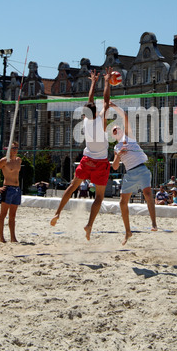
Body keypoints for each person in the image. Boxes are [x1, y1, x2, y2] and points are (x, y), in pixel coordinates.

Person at [50, 67, 112, 240]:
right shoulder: (101, 120)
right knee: (99, 198)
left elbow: (90, 100)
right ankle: (89, 225)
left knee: (71, 187)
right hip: (100, 162)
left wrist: (93, 82)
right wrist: (106, 81)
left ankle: (57, 213)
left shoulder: (85, 121)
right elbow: (106, 100)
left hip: (87, 160)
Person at [110, 102, 157, 245]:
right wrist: (118, 155)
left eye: (117, 128)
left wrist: (113, 106)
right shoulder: (116, 147)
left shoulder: (129, 137)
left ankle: (154, 223)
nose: (116, 129)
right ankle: (128, 231)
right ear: (113, 135)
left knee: (148, 194)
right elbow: (115, 167)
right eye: (113, 130)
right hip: (130, 173)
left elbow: (124, 115)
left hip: (141, 169)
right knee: (122, 203)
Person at [0, 141, 22, 243]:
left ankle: (13, 237)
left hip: (17, 189)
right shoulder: (4, 161)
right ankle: (1, 237)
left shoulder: (18, 160)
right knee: (3, 214)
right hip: (7, 189)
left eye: (16, 148)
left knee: (12, 216)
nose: (15, 150)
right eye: (13, 148)